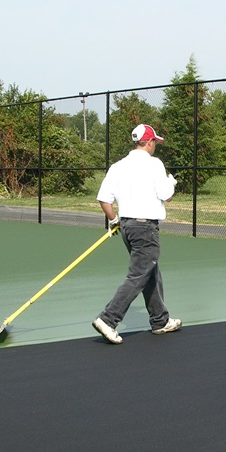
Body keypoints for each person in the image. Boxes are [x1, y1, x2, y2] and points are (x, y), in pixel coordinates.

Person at [92, 124, 182, 344]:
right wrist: (171, 183)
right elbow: (166, 195)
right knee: (139, 274)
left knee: (150, 271)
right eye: (154, 143)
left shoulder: (118, 166)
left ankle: (160, 320)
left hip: (127, 227)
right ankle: (108, 319)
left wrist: (114, 220)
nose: (155, 147)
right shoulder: (154, 165)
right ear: (149, 142)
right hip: (145, 228)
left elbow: (104, 199)